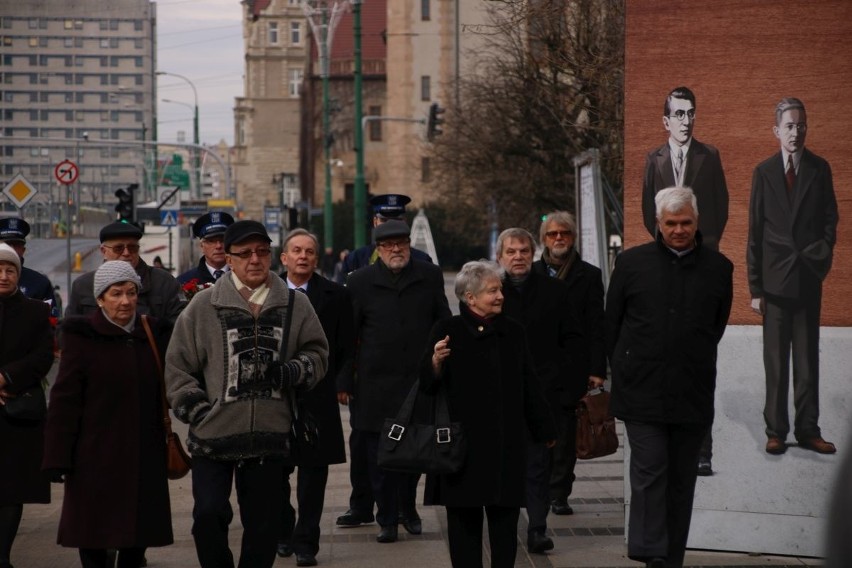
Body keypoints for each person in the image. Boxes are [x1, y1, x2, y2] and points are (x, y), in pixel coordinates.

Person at [165, 220, 329, 568]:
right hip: (213, 435)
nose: (255, 260)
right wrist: (197, 411)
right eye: (245, 254)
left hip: (269, 436)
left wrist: (295, 370)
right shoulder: (204, 305)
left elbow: (318, 353)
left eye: (261, 252)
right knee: (208, 517)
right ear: (230, 258)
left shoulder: (295, 305)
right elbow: (178, 367)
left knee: (263, 527)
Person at [606, 187, 732, 568]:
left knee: (681, 482)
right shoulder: (631, 264)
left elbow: (716, 325)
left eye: (686, 223)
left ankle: (670, 557)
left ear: (697, 223)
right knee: (649, 471)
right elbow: (613, 323)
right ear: (657, 224)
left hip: (691, 391)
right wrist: (626, 365)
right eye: (671, 223)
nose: (679, 230)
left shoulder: (718, 268)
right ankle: (650, 552)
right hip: (641, 391)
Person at [423, 260, 556, 568]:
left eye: (500, 290)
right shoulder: (447, 330)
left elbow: (529, 384)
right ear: (470, 298)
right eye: (492, 291)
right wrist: (435, 362)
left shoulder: (513, 331)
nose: (500, 296)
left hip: (505, 446)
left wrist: (544, 430)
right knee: (463, 528)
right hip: (460, 449)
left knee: (505, 527)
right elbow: (426, 384)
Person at [42, 261, 174, 568]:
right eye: (116, 294)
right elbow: (64, 402)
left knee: (137, 537)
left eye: (131, 293)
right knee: (93, 535)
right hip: (93, 457)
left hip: (144, 454)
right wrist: (56, 457)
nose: (125, 301)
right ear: (100, 299)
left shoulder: (151, 334)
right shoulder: (81, 338)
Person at [341, 219, 451, 543]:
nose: (396, 249)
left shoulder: (429, 276)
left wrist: (442, 362)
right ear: (378, 249)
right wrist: (344, 381)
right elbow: (349, 337)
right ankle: (386, 517)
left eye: (401, 243)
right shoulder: (359, 281)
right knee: (380, 457)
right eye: (388, 245)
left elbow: (443, 320)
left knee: (414, 452)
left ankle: (408, 508)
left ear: (408, 245)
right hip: (374, 384)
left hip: (417, 380)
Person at [641, 86, 729, 476]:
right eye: (678, 114)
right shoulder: (654, 160)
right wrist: (668, 244)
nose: (685, 120)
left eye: (690, 113)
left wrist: (701, 245)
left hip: (700, 262)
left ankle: (702, 449)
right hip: (665, 267)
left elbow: (721, 207)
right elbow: (648, 210)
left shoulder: (709, 156)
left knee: (699, 366)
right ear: (666, 121)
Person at [747, 97, 838, 456]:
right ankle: (776, 431)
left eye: (801, 125)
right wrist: (755, 288)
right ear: (776, 131)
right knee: (775, 362)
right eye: (789, 126)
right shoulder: (764, 172)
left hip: (807, 279)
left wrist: (822, 254)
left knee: (806, 361)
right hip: (773, 282)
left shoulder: (819, 169)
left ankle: (808, 430)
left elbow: (830, 220)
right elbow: (755, 233)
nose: (795, 132)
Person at [495, 227, 583, 554]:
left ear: (532, 254)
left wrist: (567, 387)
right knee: (504, 468)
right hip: (501, 396)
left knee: (538, 465)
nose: (517, 257)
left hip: (544, 394)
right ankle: (504, 529)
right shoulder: (491, 291)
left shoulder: (554, 291)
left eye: (523, 251)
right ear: (500, 257)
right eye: (511, 252)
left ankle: (537, 528)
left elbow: (573, 339)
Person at [277, 229, 354, 567]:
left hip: (318, 394)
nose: (303, 256)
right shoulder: (266, 292)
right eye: (296, 250)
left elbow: (346, 345)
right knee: (274, 471)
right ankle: (282, 530)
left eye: (309, 251)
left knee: (313, 474)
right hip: (275, 397)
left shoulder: (335, 295)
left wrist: (341, 382)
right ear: (284, 257)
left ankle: (307, 541)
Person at [533, 212, 607, 514]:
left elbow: (597, 326)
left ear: (574, 237)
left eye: (564, 233)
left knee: (565, 436)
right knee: (539, 432)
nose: (559, 238)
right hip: (537, 367)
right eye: (552, 234)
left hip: (572, 367)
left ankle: (559, 492)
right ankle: (539, 488)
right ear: (544, 239)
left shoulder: (588, 275)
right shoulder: (531, 273)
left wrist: (597, 370)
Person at [0, 244, 54, 568]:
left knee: (11, 488)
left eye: (10, 270)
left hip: (17, 410)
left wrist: (6, 377)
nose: (3, 275)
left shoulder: (35, 311)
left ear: (18, 275)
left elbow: (44, 355)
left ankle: (3, 555)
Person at [66, 221, 185, 323]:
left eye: (132, 248)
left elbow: (179, 326)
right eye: (119, 248)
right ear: (103, 251)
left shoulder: (164, 282)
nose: (126, 253)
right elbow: (69, 329)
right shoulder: (83, 285)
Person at [339, 193, 432, 276]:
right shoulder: (354, 260)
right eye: (385, 220)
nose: (391, 226)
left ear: (405, 222)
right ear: (375, 222)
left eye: (397, 220)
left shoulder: (423, 261)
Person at [0, 217, 56, 306]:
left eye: (16, 245)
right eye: (6, 244)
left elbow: (50, 318)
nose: (11, 249)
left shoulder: (40, 283)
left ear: (23, 250)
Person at [178, 211, 236, 286]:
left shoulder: (243, 279)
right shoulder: (184, 282)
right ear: (201, 246)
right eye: (211, 241)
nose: (218, 246)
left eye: (223, 240)